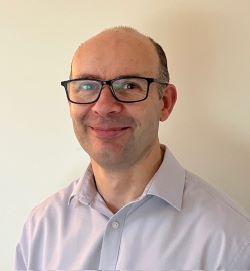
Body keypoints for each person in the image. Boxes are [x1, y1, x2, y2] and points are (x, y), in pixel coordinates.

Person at [15, 26, 250, 270]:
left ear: (165, 103)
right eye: (87, 86)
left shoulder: (230, 241)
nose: (104, 107)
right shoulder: (41, 228)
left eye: (128, 86)